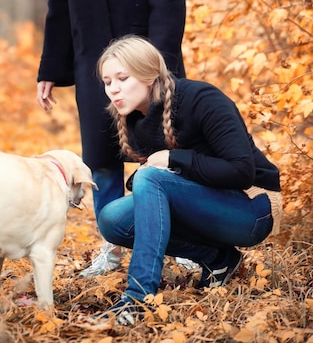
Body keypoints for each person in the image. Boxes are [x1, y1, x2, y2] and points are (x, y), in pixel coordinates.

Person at [36, 0, 187, 277]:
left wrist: (159, 64)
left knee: (161, 152)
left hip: (146, 65)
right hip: (92, 69)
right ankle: (112, 246)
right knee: (101, 157)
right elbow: (58, 7)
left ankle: (180, 244)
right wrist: (51, 69)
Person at [96, 35, 282, 325]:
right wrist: (154, 172)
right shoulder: (136, 120)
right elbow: (167, 180)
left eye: (122, 77)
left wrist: (172, 160)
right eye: (108, 82)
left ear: (149, 75)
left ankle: (137, 298)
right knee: (112, 219)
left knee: (151, 179)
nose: (114, 89)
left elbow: (241, 171)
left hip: (253, 208)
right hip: (207, 207)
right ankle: (218, 258)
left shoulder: (201, 99)